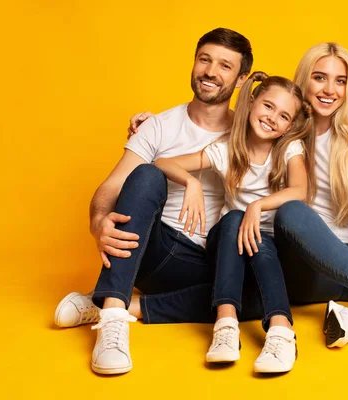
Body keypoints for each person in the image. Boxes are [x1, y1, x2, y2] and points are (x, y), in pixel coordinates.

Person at [130, 43, 348, 351]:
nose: (329, 90)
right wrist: (153, 123)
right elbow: (236, 125)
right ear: (303, 83)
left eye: (340, 80)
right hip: (306, 262)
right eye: (319, 78)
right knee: (292, 213)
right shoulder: (286, 131)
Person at [53, 28, 263, 375]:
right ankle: (112, 322)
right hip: (153, 248)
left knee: (261, 294)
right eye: (204, 60)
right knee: (148, 174)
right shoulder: (160, 126)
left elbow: (296, 125)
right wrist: (98, 223)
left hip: (209, 264)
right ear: (194, 63)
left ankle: (114, 304)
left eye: (225, 66)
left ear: (241, 79)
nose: (211, 71)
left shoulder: (252, 131)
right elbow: (110, 188)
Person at [155, 71, 314, 373]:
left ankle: (281, 334)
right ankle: (226, 326)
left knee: (261, 244)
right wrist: (190, 182)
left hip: (267, 255)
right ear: (252, 101)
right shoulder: (226, 149)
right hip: (227, 246)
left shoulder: (289, 149)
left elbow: (300, 191)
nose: (272, 118)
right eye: (268, 106)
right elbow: (162, 163)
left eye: (283, 116)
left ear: (289, 126)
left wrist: (259, 204)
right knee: (233, 219)